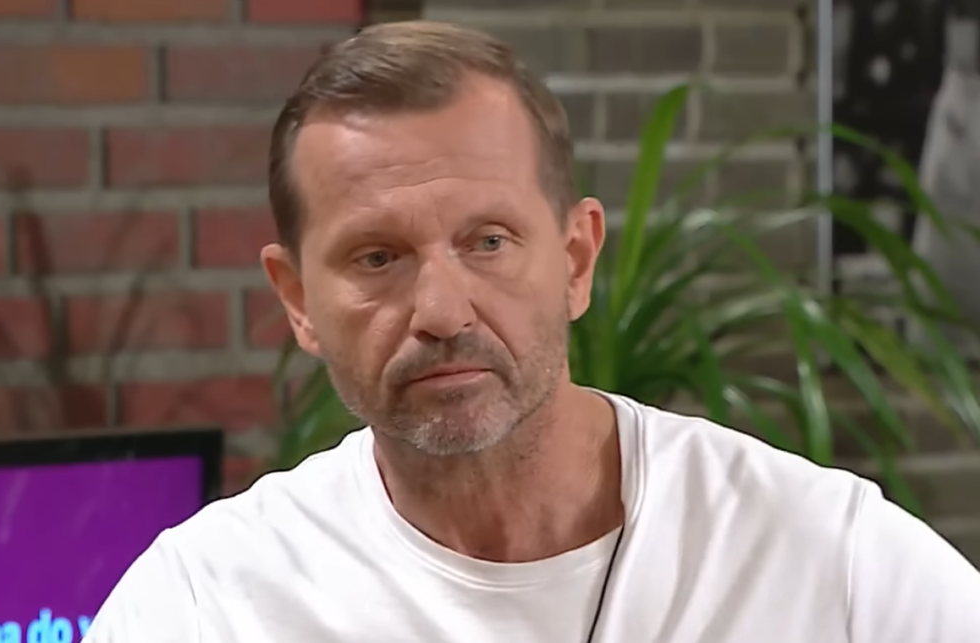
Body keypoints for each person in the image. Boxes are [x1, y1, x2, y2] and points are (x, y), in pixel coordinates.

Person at [84, 20, 980, 643]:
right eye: (376, 257)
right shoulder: (204, 602)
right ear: (297, 300)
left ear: (576, 258)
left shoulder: (825, 557)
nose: (442, 311)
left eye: (489, 241)